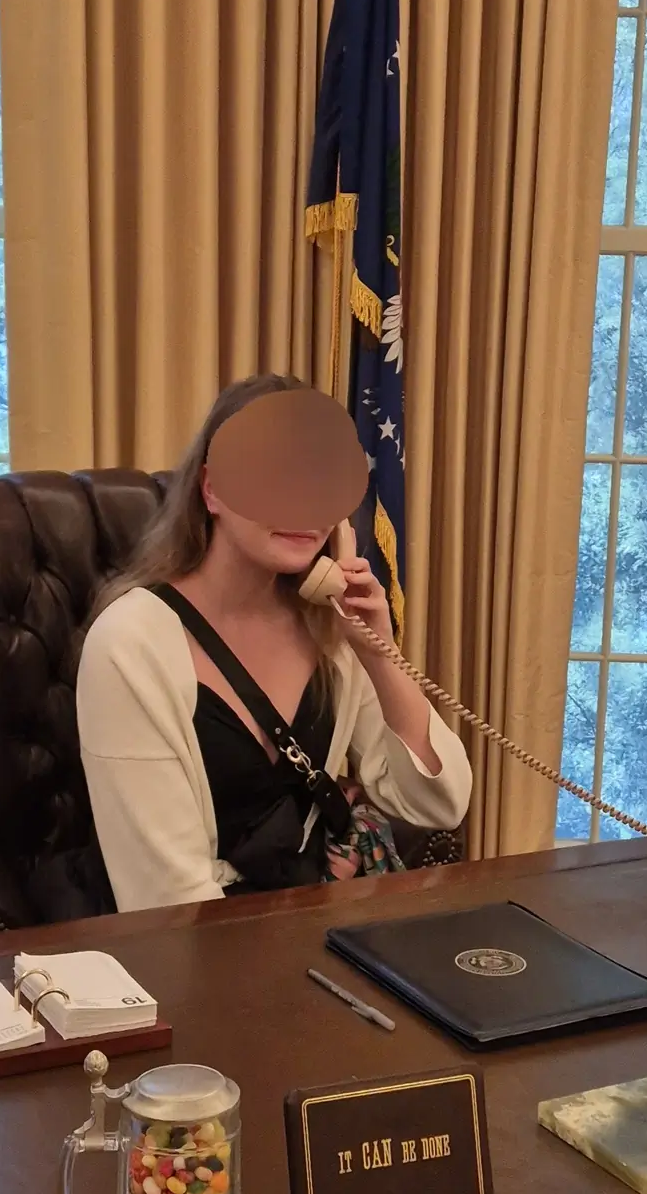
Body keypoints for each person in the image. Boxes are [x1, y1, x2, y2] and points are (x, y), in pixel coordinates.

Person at [78, 374, 471, 912]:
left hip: (313, 927)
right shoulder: (130, 643)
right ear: (212, 489)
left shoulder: (330, 631)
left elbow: (438, 803)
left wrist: (378, 653)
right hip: (193, 948)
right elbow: (165, 899)